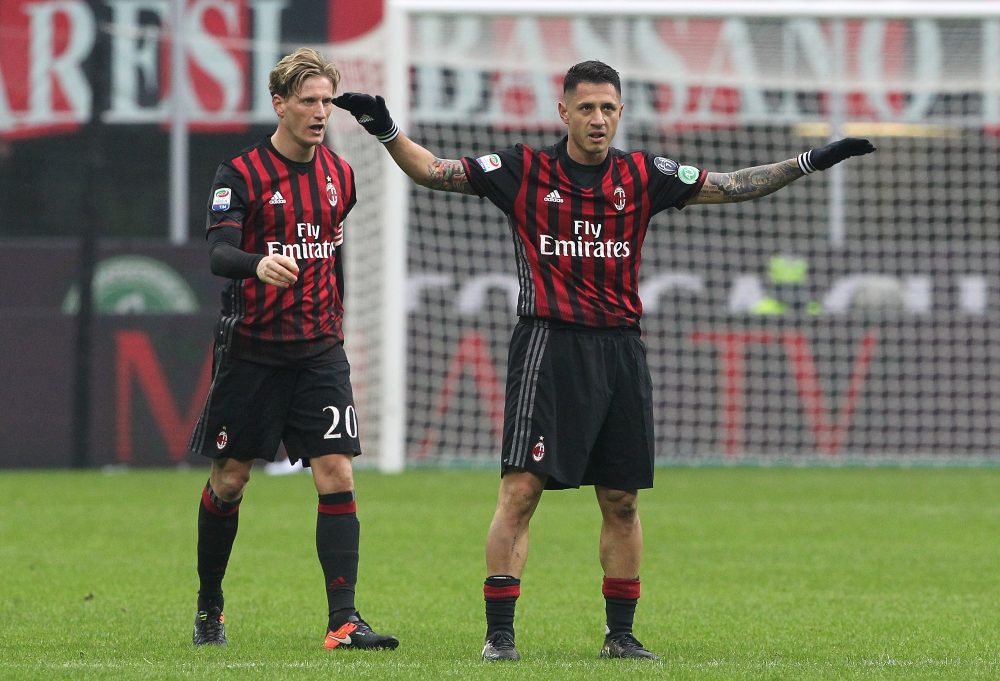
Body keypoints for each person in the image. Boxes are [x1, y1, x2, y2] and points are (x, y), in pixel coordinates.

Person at [335, 60, 875, 662]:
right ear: (562, 112)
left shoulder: (645, 175)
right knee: (520, 492)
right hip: (548, 344)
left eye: (608, 108)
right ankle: (501, 636)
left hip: (620, 350)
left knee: (622, 500)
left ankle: (620, 635)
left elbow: (730, 184)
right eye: (586, 108)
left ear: (621, 113)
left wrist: (812, 161)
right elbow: (434, 172)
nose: (598, 119)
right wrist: (384, 127)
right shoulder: (524, 169)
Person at [186, 47, 398, 652]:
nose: (320, 112)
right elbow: (219, 253)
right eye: (308, 100)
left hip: (319, 350)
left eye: (327, 101)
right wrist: (258, 264)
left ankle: (344, 621)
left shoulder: (341, 175)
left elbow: (329, 236)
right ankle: (210, 607)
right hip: (252, 349)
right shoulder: (241, 173)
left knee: (336, 470)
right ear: (279, 103)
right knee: (230, 480)